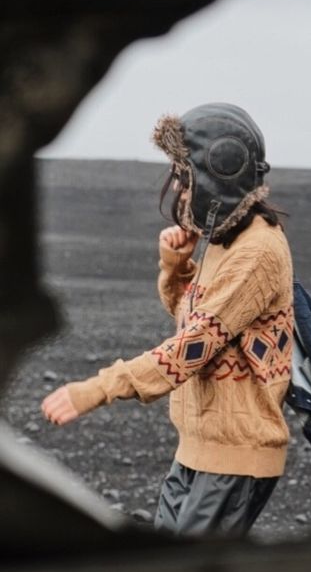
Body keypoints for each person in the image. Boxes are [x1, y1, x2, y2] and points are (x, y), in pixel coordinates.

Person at [42, 103, 294, 537]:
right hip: (198, 450)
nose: (178, 188)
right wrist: (176, 263)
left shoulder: (257, 252)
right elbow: (189, 315)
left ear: (218, 178)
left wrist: (99, 388)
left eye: (184, 176)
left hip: (235, 456)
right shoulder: (224, 242)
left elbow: (191, 348)